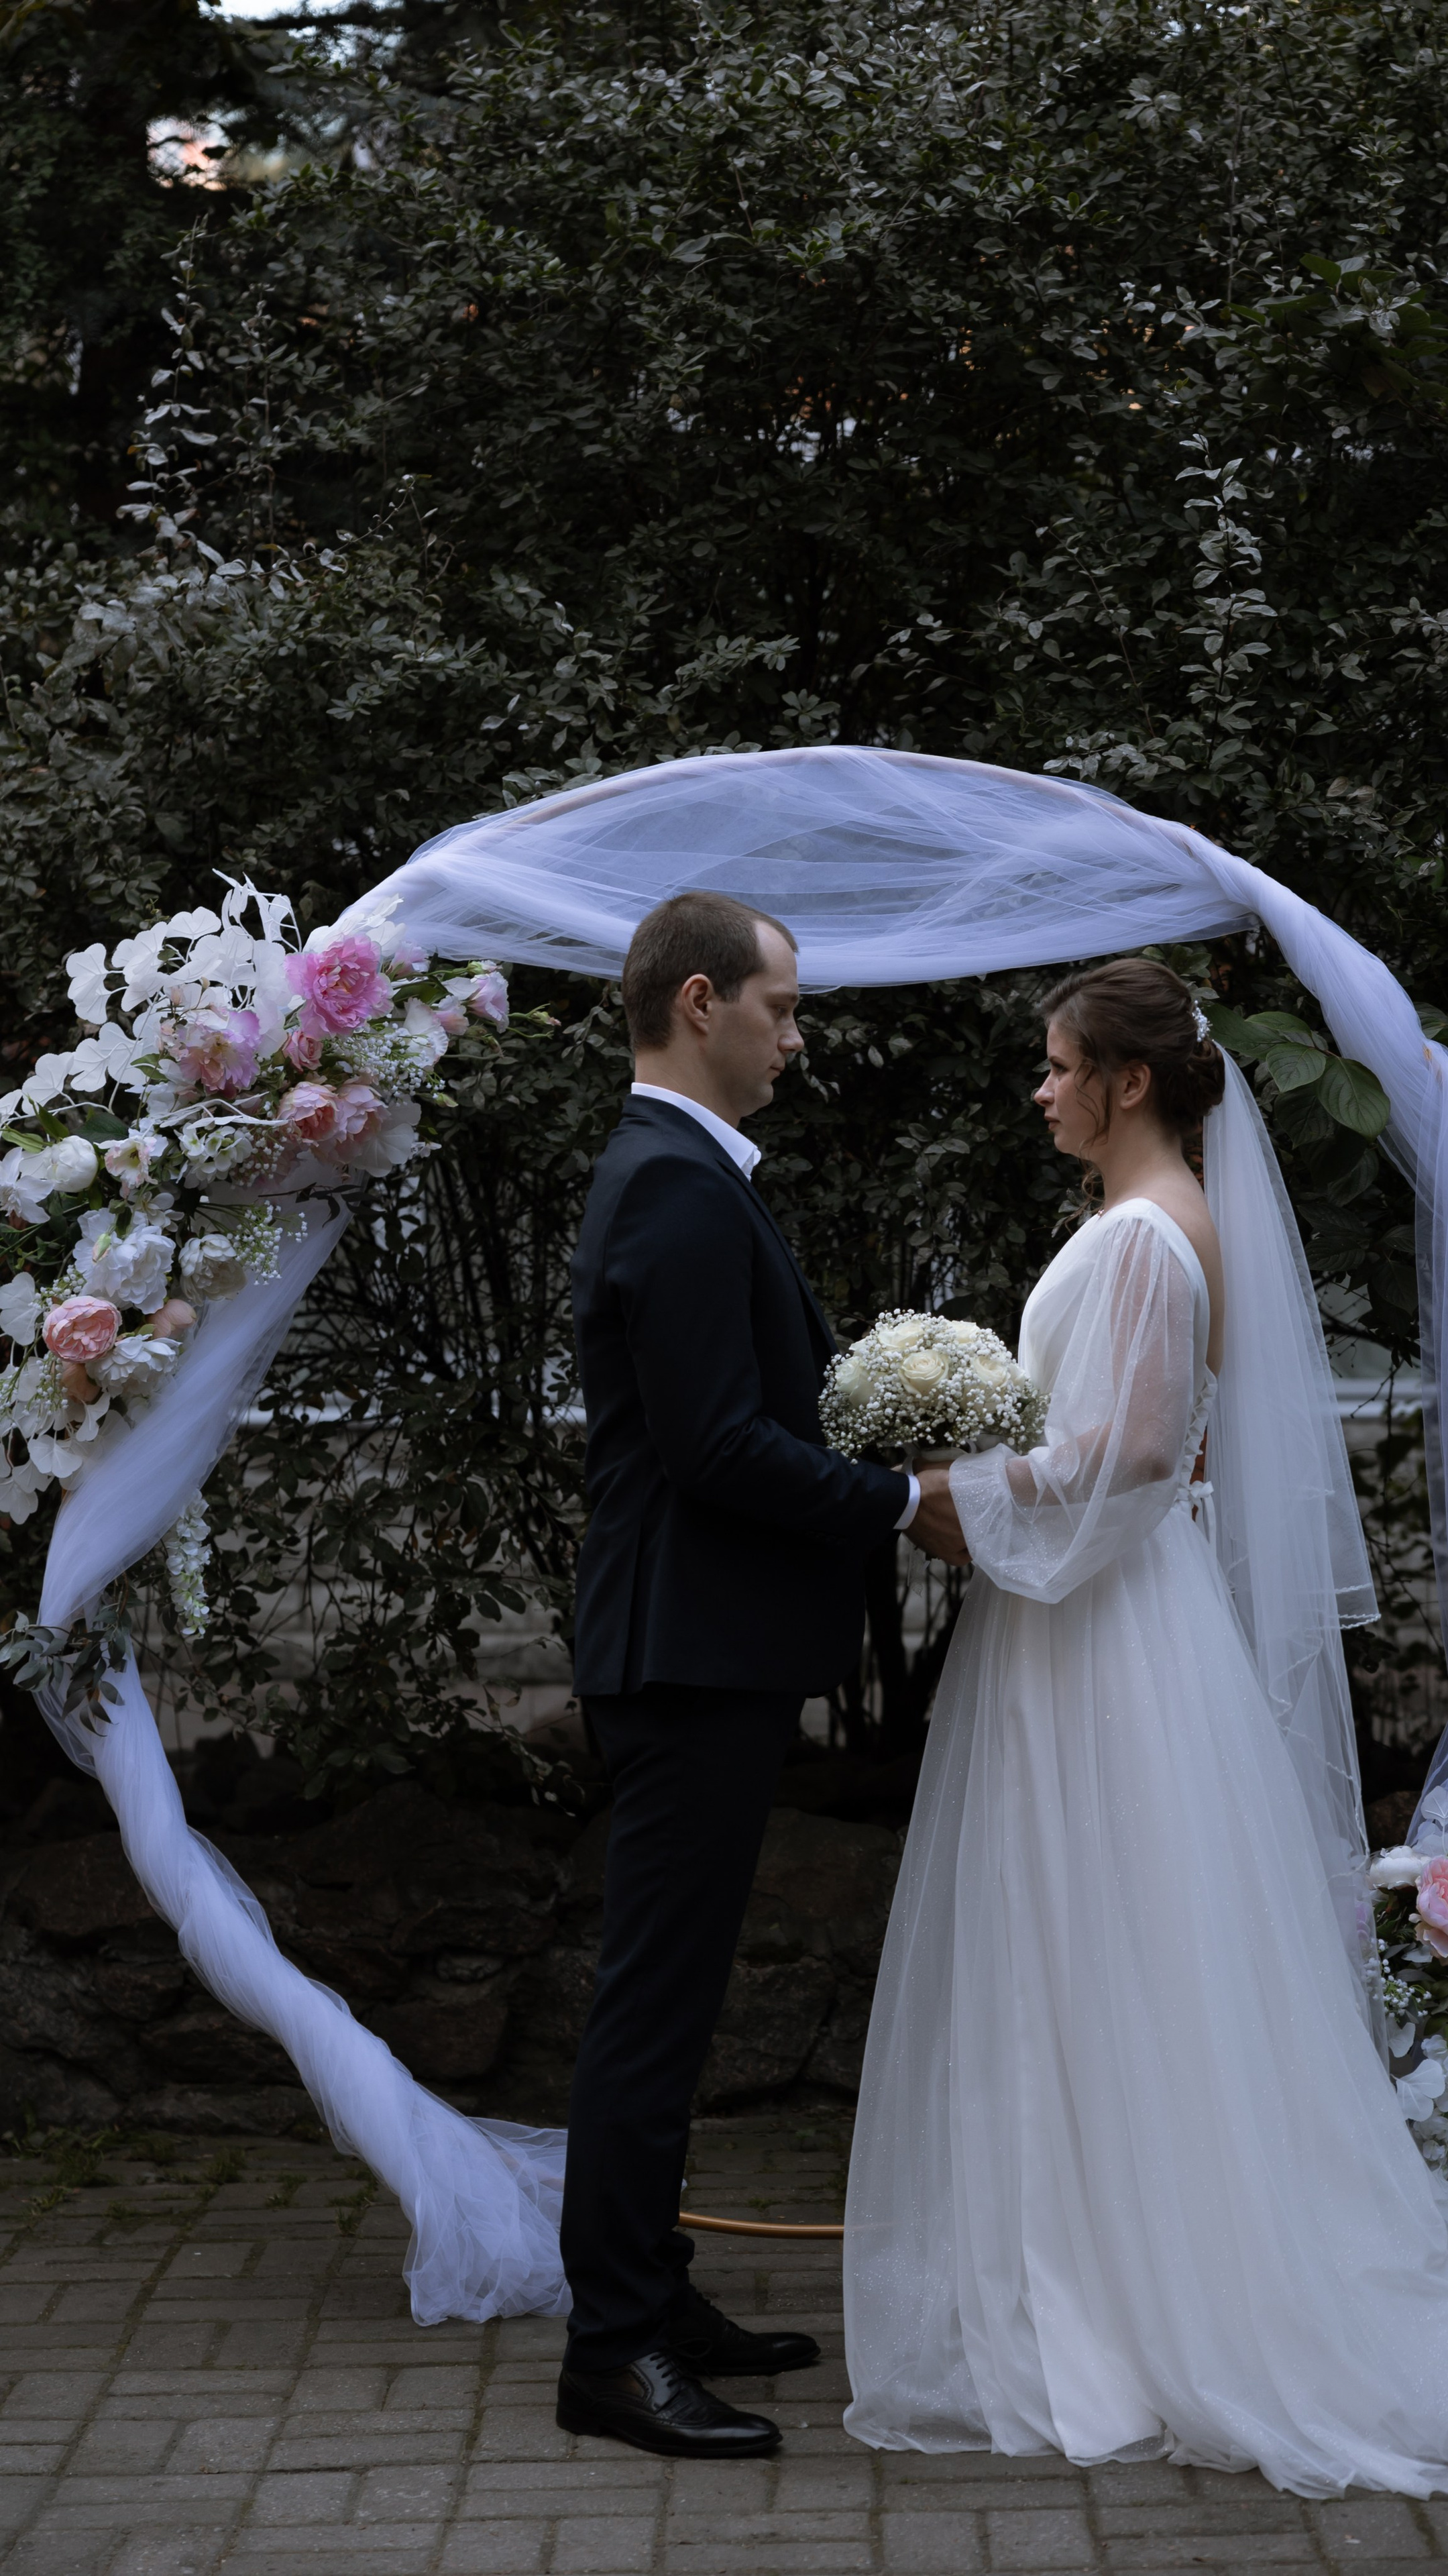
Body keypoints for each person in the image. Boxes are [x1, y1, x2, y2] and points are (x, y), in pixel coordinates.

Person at [842, 959, 1448, 2495]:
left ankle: (1117, 2297)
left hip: (1098, 1636)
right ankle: (1101, 2263)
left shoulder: (1141, 1241)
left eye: (1056, 1067)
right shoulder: (1169, 1226)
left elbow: (1126, 1449)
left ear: (1123, 1082)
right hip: (1109, 1622)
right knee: (1114, 1943)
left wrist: (951, 1497)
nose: (1040, 1090)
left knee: (1097, 1939)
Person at [559, 888, 965, 2460]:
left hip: (701, 1645)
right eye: (783, 1010)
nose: (797, 1040)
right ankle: (609, 2351)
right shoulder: (667, 1183)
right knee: (648, 2012)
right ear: (699, 1001)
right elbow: (712, 1447)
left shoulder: (688, 1174)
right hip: (680, 1651)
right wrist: (893, 1500)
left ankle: (652, 2296)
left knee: (670, 1996)